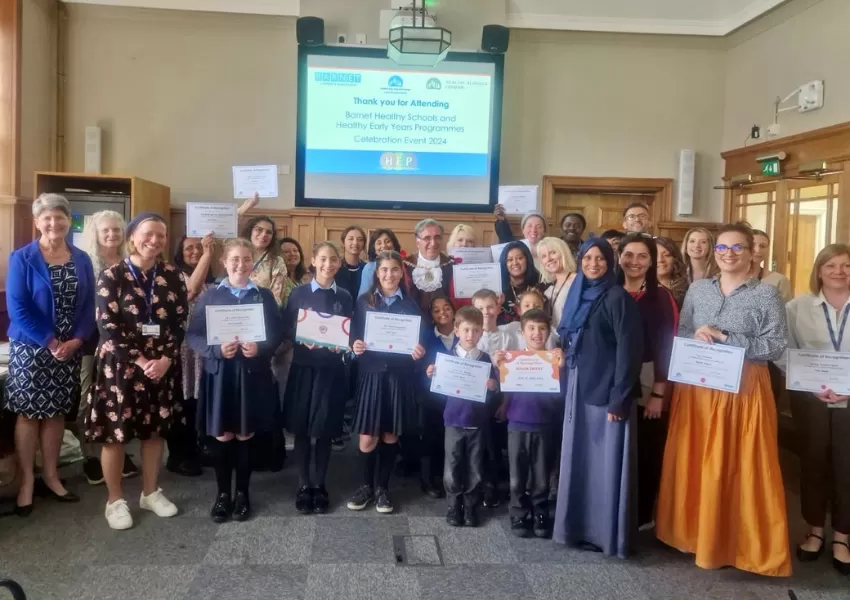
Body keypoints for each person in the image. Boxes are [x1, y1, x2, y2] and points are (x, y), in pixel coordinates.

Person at [655, 223, 791, 577]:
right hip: (698, 390)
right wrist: (697, 335)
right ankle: (689, 534)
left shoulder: (766, 294)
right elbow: (682, 331)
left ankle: (735, 544)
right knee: (696, 460)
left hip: (743, 391)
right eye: (722, 249)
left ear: (751, 253)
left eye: (737, 248)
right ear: (714, 254)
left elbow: (775, 347)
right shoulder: (699, 290)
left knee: (738, 465)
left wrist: (727, 336)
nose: (728, 254)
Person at [85, 213, 189, 530]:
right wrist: (142, 362)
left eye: (160, 235)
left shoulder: (172, 275)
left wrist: (166, 360)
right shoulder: (112, 276)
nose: (154, 240)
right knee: (115, 436)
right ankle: (115, 501)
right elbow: (107, 327)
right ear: (133, 236)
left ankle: (149, 492)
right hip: (120, 369)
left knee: (154, 432)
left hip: (160, 367)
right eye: (148, 234)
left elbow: (179, 323)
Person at [5, 193, 96, 515]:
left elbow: (89, 306)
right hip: (31, 349)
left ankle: (53, 476)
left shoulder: (82, 258)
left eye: (60, 217)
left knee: (56, 412)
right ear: (37, 222)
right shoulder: (23, 258)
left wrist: (78, 339)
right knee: (29, 414)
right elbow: (17, 308)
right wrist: (50, 341)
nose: (54, 223)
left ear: (69, 221)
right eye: (47, 218)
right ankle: (28, 481)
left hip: (69, 348)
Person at [553, 238, 643, 558]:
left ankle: (605, 535)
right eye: (587, 258)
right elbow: (568, 336)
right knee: (580, 460)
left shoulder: (618, 298)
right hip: (579, 385)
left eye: (600, 258)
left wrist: (620, 399)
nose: (593, 264)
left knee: (603, 465)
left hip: (607, 392)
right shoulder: (578, 293)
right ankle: (577, 528)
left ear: (610, 262)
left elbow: (629, 354)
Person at [187, 238, 282, 523]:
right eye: (235, 259)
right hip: (220, 375)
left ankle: (242, 494)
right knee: (222, 435)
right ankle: (222, 495)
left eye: (246, 259)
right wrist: (215, 350)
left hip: (251, 376)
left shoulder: (263, 296)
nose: (241, 264)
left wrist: (261, 347)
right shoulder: (211, 295)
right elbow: (194, 334)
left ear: (253, 262)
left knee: (244, 435)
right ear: (224, 263)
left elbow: (277, 334)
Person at [781, 244, 850, 575]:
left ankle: (842, 536)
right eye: (831, 265)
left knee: (847, 465)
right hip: (811, 399)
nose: (839, 271)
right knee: (813, 463)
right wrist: (810, 384)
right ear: (819, 270)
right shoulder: (797, 307)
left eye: (847, 265)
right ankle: (814, 530)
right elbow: (784, 352)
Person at [347, 251, 426, 514]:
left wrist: (418, 352)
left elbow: (419, 343)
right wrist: (354, 345)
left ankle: (382, 488)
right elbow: (353, 336)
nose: (389, 275)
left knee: (390, 435)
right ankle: (365, 487)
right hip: (371, 374)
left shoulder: (411, 305)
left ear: (401, 274)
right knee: (368, 437)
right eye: (384, 270)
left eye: (395, 270)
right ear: (376, 273)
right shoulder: (363, 301)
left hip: (398, 377)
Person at [282, 241, 354, 514]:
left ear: (338, 263)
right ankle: (304, 485)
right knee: (302, 429)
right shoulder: (298, 293)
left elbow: (350, 330)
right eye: (322, 258)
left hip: (332, 371)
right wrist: (303, 337)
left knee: (324, 431)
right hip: (304, 368)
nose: (328, 264)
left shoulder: (345, 296)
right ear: (313, 261)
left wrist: (345, 342)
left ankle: (320, 485)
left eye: (333, 259)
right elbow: (288, 326)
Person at [617, 234, 677, 530]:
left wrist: (659, 392)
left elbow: (668, 344)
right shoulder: (610, 290)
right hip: (613, 378)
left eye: (642, 256)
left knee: (647, 448)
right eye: (628, 255)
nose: (634, 262)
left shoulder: (661, 296)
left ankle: (642, 513)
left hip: (648, 376)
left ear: (651, 261)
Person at [77, 209, 139, 485]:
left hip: (127, 343)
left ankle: (119, 451)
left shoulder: (131, 261)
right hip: (93, 342)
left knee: (122, 400)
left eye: (117, 230)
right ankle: (90, 456)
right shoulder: (86, 264)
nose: (113, 235)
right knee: (88, 400)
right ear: (96, 234)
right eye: (106, 231)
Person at [493, 309, 564, 539]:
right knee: (517, 475)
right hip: (517, 424)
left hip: (544, 425)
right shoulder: (513, 359)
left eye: (542, 328)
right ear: (522, 332)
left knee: (542, 475)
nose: (537, 333)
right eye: (531, 328)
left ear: (549, 331)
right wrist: (498, 365)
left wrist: (561, 368)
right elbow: (506, 389)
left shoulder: (554, 360)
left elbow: (561, 394)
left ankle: (541, 511)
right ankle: (518, 512)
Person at [426, 306, 498, 527]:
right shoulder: (446, 358)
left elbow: (495, 388)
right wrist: (432, 374)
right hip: (453, 421)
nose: (471, 336)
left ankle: (470, 506)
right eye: (466, 330)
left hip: (477, 423)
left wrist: (493, 385)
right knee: (452, 466)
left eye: (476, 331)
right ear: (457, 330)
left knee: (475, 468)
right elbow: (437, 388)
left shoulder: (486, 359)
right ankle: (453, 505)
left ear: (481, 333)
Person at [167, 233, 216, 478]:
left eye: (200, 247)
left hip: (204, 349)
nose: (195, 251)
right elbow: (191, 291)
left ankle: (197, 449)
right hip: (182, 349)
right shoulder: (174, 275)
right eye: (189, 248)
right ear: (179, 252)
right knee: (181, 403)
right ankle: (178, 456)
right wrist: (207, 254)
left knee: (199, 402)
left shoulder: (213, 279)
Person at [420, 295, 456, 498]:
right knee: (431, 439)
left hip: (458, 399)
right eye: (436, 310)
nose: (442, 313)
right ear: (431, 315)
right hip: (432, 398)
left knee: (453, 440)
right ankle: (429, 480)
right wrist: (426, 369)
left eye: (446, 308)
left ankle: (450, 478)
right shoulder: (426, 336)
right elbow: (417, 364)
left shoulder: (464, 333)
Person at [403, 219, 456, 314]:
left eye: (437, 237)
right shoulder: (405, 266)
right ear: (418, 242)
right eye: (427, 238)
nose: (433, 243)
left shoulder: (451, 266)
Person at [241, 216, 288, 307]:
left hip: (262, 314)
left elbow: (277, 300)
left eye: (269, 232)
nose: (264, 234)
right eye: (259, 229)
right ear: (250, 231)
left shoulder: (276, 261)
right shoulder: (238, 256)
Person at [499, 241, 543, 324]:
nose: (515, 263)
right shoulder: (498, 287)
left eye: (519, 258)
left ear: (527, 259)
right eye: (510, 260)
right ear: (504, 263)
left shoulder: (540, 283)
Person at [537, 236, 577, 327]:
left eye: (553, 253)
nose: (549, 259)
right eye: (543, 256)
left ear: (564, 253)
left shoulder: (577, 281)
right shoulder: (548, 290)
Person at [358, 228, 402, 299]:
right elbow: (363, 297)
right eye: (379, 243)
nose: (384, 246)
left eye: (387, 241)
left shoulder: (402, 265)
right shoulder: (369, 268)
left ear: (394, 245)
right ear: (374, 248)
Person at [751, 229, 792, 302]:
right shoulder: (728, 278)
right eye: (752, 245)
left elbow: (786, 312)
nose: (757, 250)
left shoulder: (779, 280)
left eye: (763, 246)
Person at [655, 236, 689, 308]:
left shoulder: (687, 289)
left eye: (666, 255)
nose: (660, 260)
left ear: (675, 259)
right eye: (654, 255)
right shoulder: (640, 288)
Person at [335, 226, 367, 302]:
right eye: (351, 239)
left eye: (360, 240)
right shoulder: (335, 267)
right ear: (343, 242)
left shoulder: (367, 269)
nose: (355, 243)